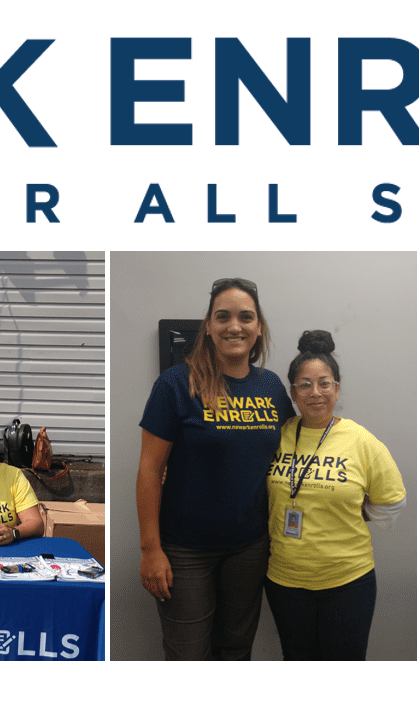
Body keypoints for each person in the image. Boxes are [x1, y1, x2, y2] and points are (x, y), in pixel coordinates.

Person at [137, 277, 294, 660]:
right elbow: (149, 471)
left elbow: (294, 453)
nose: (234, 326)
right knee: (188, 655)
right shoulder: (176, 383)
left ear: (259, 328)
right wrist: (150, 549)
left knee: (236, 651)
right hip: (185, 552)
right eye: (222, 317)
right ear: (208, 326)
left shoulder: (270, 386)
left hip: (251, 548)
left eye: (245, 317)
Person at [263, 330, 407, 660]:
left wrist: (359, 513)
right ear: (293, 392)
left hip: (347, 581)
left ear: (337, 388)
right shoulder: (278, 435)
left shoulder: (360, 440)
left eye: (324, 383)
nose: (315, 393)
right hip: (286, 581)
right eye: (305, 384)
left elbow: (392, 500)